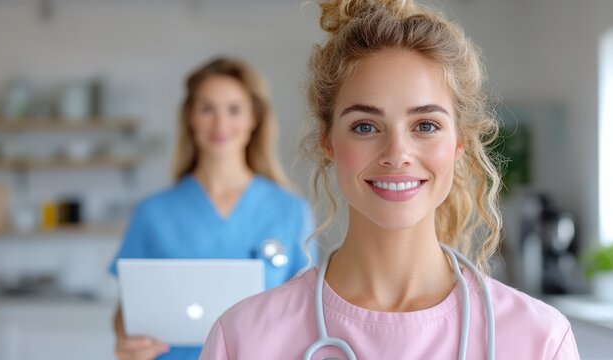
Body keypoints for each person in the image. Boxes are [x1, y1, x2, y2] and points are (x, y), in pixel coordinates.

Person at [200, 1, 581, 359]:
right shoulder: (242, 340)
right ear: (327, 139)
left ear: (460, 141)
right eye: (365, 126)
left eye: (426, 125)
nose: (397, 153)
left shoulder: (540, 340)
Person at [109, 57, 315, 360]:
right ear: (190, 118)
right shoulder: (153, 213)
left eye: (234, 110)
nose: (220, 124)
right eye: (207, 109)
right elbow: (127, 309)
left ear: (253, 119)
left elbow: (309, 311)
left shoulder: (290, 210)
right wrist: (126, 340)